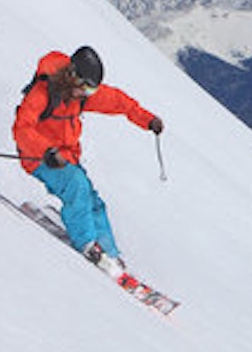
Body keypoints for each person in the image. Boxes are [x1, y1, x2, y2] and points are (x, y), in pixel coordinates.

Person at [13, 45, 163, 274]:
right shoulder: (44, 93)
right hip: (39, 157)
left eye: (91, 91)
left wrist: (147, 120)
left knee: (94, 202)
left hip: (67, 158)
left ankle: (109, 254)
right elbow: (22, 128)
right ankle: (88, 245)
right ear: (72, 77)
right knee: (77, 187)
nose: (86, 94)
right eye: (85, 88)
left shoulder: (78, 96)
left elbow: (118, 101)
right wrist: (46, 151)